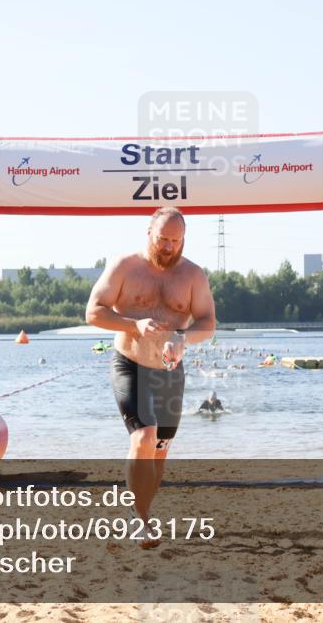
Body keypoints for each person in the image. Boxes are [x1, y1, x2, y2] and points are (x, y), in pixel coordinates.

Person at [85, 207, 216, 548]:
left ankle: (142, 511)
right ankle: (140, 521)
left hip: (170, 371)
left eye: (177, 240)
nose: (170, 247)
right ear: (149, 233)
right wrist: (134, 324)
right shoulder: (125, 267)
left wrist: (184, 338)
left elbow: (207, 322)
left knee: (159, 450)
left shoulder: (193, 275)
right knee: (144, 436)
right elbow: (93, 312)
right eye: (164, 239)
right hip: (130, 363)